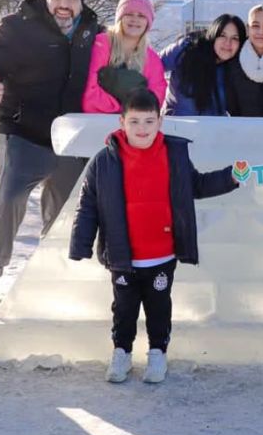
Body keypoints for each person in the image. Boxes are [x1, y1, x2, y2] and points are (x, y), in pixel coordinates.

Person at [68, 88, 239, 383]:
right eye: (134, 121)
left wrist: (231, 176)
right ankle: (121, 352)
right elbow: (88, 205)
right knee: (124, 309)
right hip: (122, 255)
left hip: (161, 254)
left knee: (159, 308)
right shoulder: (104, 161)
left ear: (160, 121)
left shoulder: (173, 154)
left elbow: (196, 185)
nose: (142, 128)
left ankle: (158, 353)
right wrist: (80, 244)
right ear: (122, 122)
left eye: (149, 121)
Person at [0, 0, 101, 312]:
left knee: (67, 212)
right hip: (19, 128)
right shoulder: (17, 26)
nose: (64, 5)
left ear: (81, 1)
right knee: (9, 197)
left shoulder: (93, 33)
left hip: (68, 136)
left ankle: (53, 279)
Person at [82, 0, 167, 113]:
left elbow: (156, 97)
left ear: (148, 22)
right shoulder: (101, 44)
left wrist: (133, 114)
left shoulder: (152, 58)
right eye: (129, 14)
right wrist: (120, 109)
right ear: (120, 18)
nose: (135, 19)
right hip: (96, 118)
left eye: (141, 16)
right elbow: (87, 87)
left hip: (134, 122)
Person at [160, 13, 245, 116]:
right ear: (213, 34)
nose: (228, 43)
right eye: (222, 35)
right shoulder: (188, 49)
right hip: (177, 123)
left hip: (212, 125)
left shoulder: (236, 67)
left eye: (235, 38)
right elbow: (151, 66)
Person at [224, 4, 263, 117]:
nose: (261, 32)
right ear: (247, 28)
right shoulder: (233, 59)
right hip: (242, 126)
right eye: (255, 26)